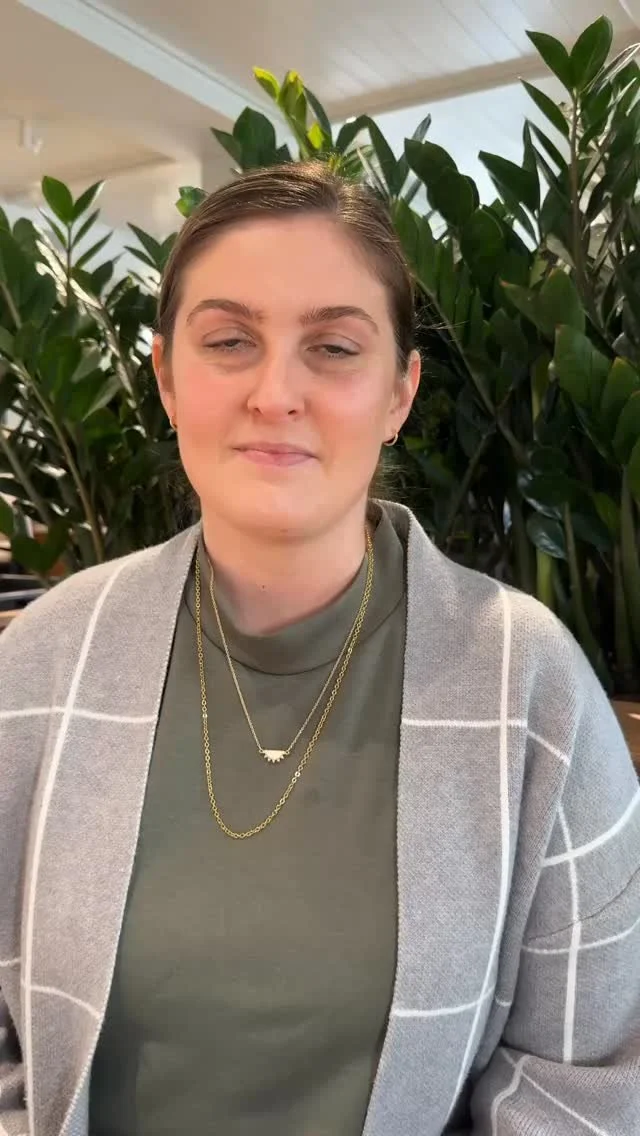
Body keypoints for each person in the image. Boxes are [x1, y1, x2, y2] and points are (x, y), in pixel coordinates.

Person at [0, 163, 638, 1136]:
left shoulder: (529, 687)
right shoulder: (44, 662)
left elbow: (591, 1077)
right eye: (229, 341)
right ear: (167, 377)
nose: (276, 392)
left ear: (398, 392)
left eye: (333, 347)